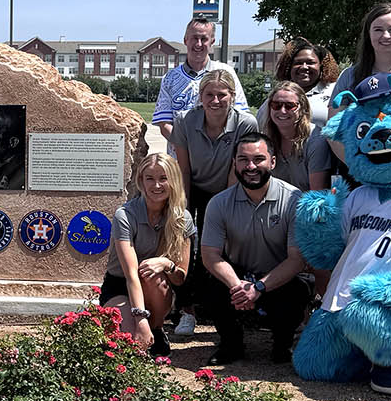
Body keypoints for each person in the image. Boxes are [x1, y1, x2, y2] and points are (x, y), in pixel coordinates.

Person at [198, 133, 312, 364]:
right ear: (234, 163)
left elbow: (296, 260)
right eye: (243, 159)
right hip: (239, 276)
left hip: (278, 279)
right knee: (210, 286)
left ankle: (282, 343)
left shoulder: (294, 200)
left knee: (298, 291)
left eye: (258, 159)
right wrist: (237, 286)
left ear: (272, 162)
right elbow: (210, 255)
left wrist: (259, 287)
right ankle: (231, 344)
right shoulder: (219, 203)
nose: (251, 166)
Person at [169, 69, 259, 337]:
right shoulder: (185, 120)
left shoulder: (245, 124)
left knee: (217, 247)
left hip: (227, 189)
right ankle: (186, 310)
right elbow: (183, 170)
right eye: (210, 94)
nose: (216, 100)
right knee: (186, 245)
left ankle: (222, 306)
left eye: (222, 95)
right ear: (201, 96)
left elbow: (238, 168)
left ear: (232, 96)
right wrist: (182, 209)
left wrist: (222, 210)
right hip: (193, 187)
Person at [99, 153, 193, 354]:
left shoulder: (182, 218)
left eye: (163, 178)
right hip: (120, 285)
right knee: (128, 346)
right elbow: (131, 274)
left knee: (153, 273)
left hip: (156, 286)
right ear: (140, 181)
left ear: (173, 180)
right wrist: (140, 319)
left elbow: (180, 278)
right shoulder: (125, 215)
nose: (156, 185)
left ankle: (157, 329)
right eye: (150, 178)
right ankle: (144, 327)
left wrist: (167, 264)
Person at [153, 17, 248, 141]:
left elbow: (242, 115)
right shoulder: (169, 78)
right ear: (185, 40)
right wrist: (186, 147)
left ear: (212, 42)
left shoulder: (227, 73)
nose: (198, 44)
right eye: (194, 38)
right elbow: (164, 123)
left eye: (204, 39)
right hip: (179, 157)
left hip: (219, 155)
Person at [260, 80, 332, 191]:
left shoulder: (316, 140)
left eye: (290, 106)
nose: (282, 111)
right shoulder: (265, 139)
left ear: (302, 108)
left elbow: (317, 195)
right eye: (276, 105)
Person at [257, 38, 341, 130]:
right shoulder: (278, 95)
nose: (304, 67)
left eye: (310, 62)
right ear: (289, 67)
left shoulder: (334, 91)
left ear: (321, 66)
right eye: (298, 63)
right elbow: (260, 125)